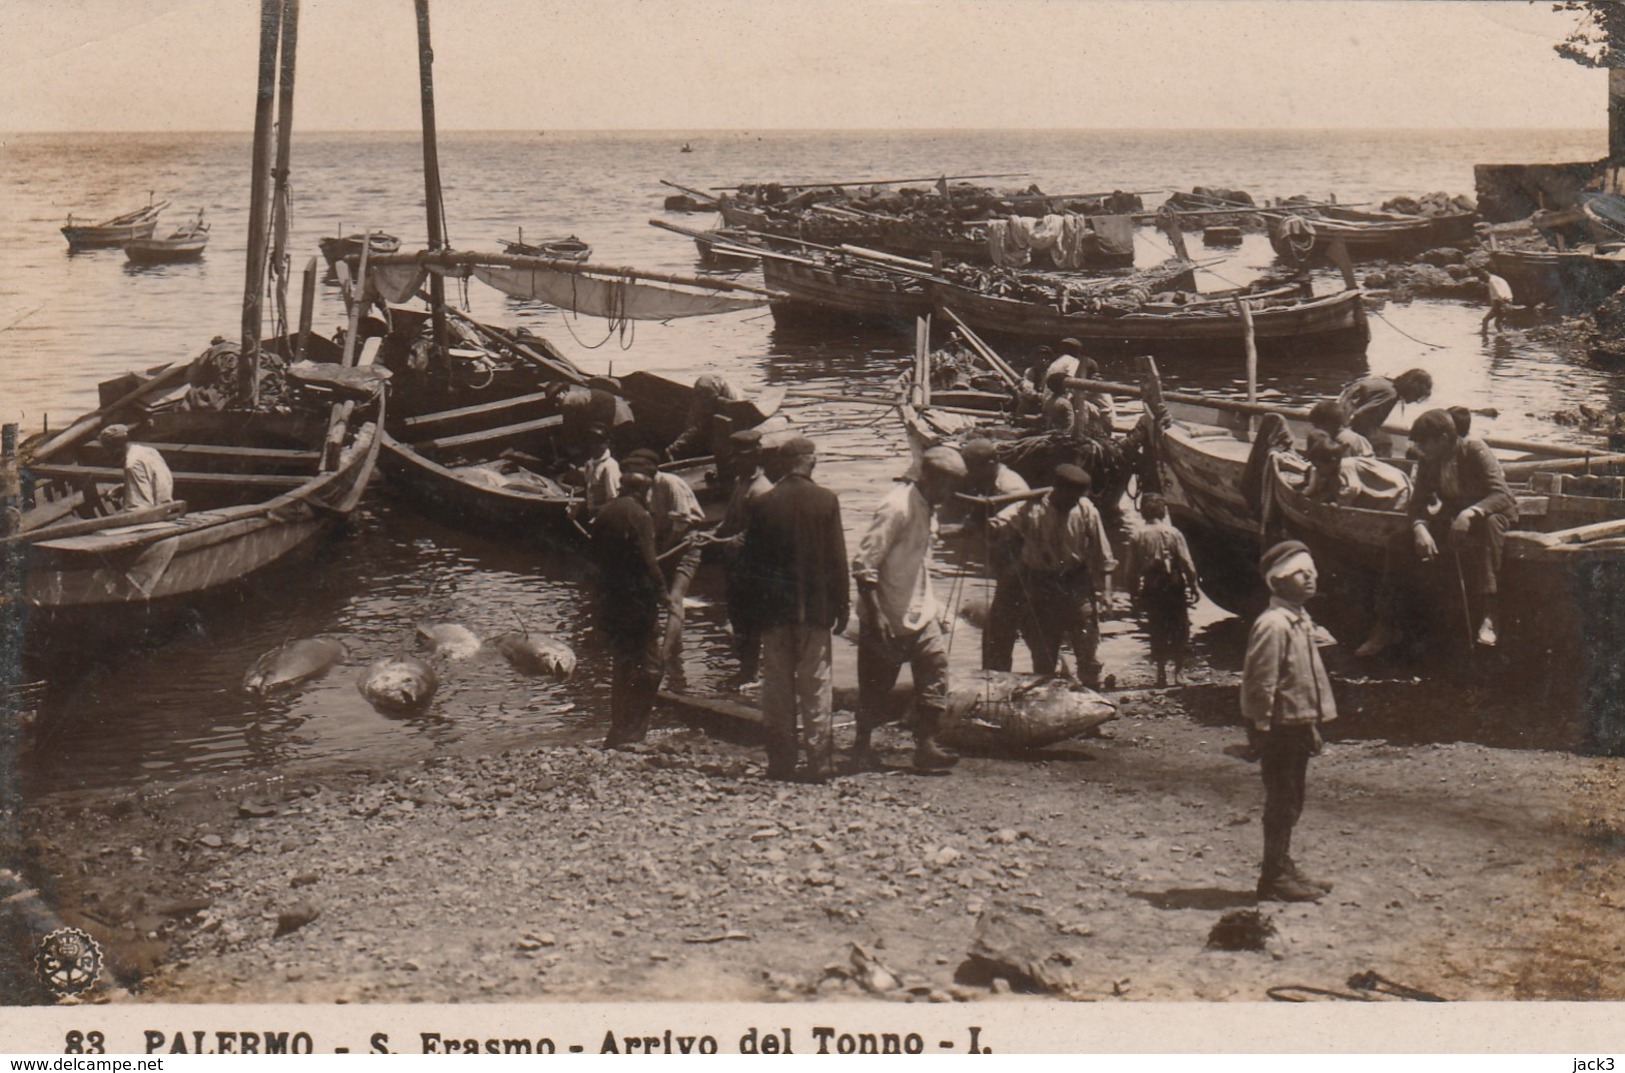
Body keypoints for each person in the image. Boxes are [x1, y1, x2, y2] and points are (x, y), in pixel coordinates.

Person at [1358, 408, 1517, 655]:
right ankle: (1386, 626)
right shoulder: (1427, 459)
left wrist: (1470, 513)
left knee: (1490, 526)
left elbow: (1502, 494)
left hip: (1488, 517)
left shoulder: (1474, 450)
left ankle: (1490, 613)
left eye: (1425, 443)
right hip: (1455, 519)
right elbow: (1418, 503)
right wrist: (1420, 527)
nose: (1421, 449)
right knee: (1399, 542)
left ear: (1443, 439)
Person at [738, 436, 850, 782]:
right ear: (810, 462)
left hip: (774, 613)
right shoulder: (826, 500)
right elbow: (837, 559)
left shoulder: (763, 502)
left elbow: (751, 565)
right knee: (816, 686)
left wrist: (747, 616)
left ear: (783, 464)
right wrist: (842, 605)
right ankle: (820, 761)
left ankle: (781, 761)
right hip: (814, 612)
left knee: (777, 689)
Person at [851, 445, 968, 771]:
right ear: (929, 477)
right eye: (946, 484)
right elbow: (863, 564)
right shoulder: (896, 507)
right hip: (886, 611)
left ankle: (926, 743)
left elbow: (922, 546)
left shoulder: (929, 507)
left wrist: (961, 531)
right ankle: (860, 746)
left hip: (920, 609)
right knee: (875, 686)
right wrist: (875, 615)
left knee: (936, 669)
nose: (950, 493)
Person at [1243, 540, 1338, 904]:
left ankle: (1283, 863)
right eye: (1301, 573)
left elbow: (1306, 680)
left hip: (1296, 725)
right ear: (1277, 583)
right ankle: (1273, 877)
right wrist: (1260, 728)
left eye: (1312, 571)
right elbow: (1260, 680)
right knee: (1282, 799)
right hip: (1278, 728)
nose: (1311, 578)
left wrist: (1311, 724)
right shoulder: (1273, 625)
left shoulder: (1299, 621)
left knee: (1293, 798)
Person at [990, 464, 1116, 687]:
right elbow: (998, 527)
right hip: (1041, 587)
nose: (1073, 502)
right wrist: (984, 520)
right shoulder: (1030, 507)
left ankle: (1092, 691)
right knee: (1043, 652)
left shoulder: (1086, 510)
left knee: (1087, 644)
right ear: (1058, 490)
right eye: (1070, 497)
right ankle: (1049, 695)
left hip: (1076, 585)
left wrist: (1106, 593)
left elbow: (1104, 556)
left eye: (1078, 497)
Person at [590, 456, 679, 748]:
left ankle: (616, 731)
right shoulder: (639, 516)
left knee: (623, 666)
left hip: (611, 603)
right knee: (651, 668)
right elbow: (649, 562)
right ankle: (634, 733)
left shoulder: (605, 513)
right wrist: (665, 596)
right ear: (645, 490)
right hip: (638, 605)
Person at [624, 448, 706, 679]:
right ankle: (673, 651)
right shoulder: (645, 491)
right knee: (660, 596)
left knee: (675, 598)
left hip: (685, 543)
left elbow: (681, 523)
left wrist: (665, 549)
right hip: (664, 544)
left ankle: (665, 656)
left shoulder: (671, 484)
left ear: (650, 470)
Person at [953, 439, 1032, 673]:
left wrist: (972, 527)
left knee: (1005, 629)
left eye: (973, 467)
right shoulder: (987, 481)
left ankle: (996, 678)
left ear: (991, 463)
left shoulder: (1012, 487)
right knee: (1007, 628)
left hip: (1024, 567)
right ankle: (997, 676)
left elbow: (1002, 524)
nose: (969, 473)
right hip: (1006, 567)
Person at [707, 428, 775, 688]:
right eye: (736, 457)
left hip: (753, 566)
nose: (737, 462)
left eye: (743, 457)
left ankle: (752, 673)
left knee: (751, 620)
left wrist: (719, 541)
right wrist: (713, 532)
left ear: (756, 457)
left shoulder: (762, 490)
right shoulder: (741, 482)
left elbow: (753, 534)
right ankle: (746, 670)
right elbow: (729, 520)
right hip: (735, 563)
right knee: (738, 618)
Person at [1124, 493, 1198, 687]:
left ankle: (1160, 675)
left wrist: (1133, 593)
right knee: (1180, 627)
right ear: (1164, 511)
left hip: (1151, 585)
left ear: (1141, 511)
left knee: (1156, 627)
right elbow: (1186, 562)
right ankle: (1179, 673)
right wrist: (1193, 585)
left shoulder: (1137, 535)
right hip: (1173, 583)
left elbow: (1131, 569)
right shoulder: (1173, 533)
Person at [1337, 369, 1432, 456]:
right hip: (1344, 429)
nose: (1416, 399)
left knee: (1381, 437)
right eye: (1418, 394)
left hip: (1338, 422)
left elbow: (1367, 419)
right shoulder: (1390, 394)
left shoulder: (1384, 383)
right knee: (1384, 443)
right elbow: (1359, 416)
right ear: (1412, 388)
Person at [1301, 399, 1373, 503]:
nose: (1317, 430)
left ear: (1328, 424)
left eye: (1317, 426)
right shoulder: (1350, 436)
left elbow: (1335, 469)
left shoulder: (1340, 441)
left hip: (1357, 483)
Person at [99, 424, 173, 511]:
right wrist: (127, 488)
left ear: (114, 448)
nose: (106, 454)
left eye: (106, 449)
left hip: (152, 518)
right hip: (167, 507)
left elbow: (138, 508)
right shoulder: (149, 451)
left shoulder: (132, 465)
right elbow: (156, 482)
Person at [667, 374, 742, 460]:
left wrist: (674, 447)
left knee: (699, 422)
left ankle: (674, 449)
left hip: (713, 388)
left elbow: (697, 424)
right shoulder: (706, 391)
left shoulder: (727, 397)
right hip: (711, 386)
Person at [576, 424, 620, 521]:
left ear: (607, 443)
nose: (594, 447)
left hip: (604, 518)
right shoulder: (589, 464)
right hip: (591, 515)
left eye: (598, 443)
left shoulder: (610, 466)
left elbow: (614, 499)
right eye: (591, 443)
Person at [1480, 268, 1513, 334]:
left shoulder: (1492, 281)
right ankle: (1502, 334)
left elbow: (1499, 293)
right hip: (1508, 301)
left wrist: (1503, 304)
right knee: (1497, 323)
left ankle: (1484, 336)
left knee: (1485, 320)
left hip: (1501, 302)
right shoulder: (1497, 278)